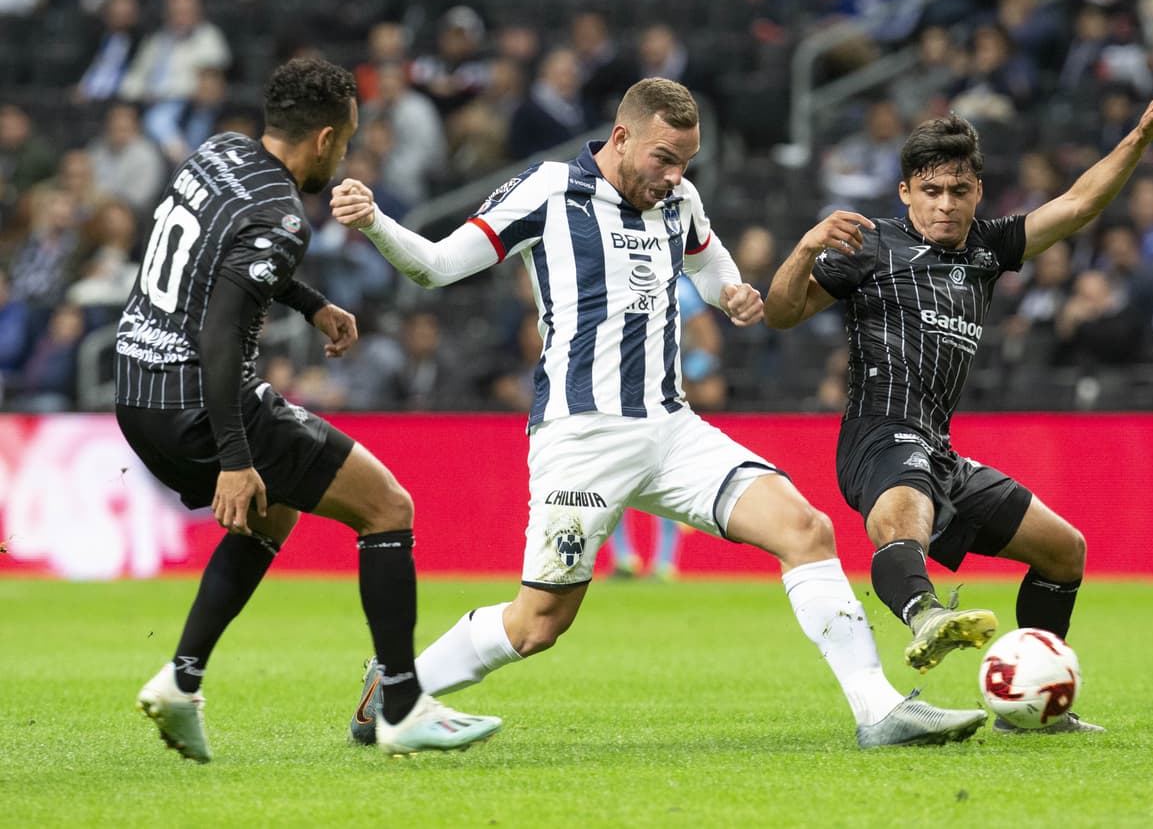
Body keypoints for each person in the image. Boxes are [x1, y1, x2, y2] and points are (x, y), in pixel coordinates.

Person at [332, 77, 988, 750]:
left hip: (672, 430)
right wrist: (376, 222)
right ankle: (396, 688)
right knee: (538, 624)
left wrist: (729, 291)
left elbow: (707, 257)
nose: (676, 176)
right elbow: (437, 266)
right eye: (665, 159)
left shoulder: (679, 198)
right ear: (622, 138)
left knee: (806, 528)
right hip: (582, 437)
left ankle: (879, 710)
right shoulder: (548, 191)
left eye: (686, 162)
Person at [762, 84, 1153, 734]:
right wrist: (803, 250)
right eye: (931, 190)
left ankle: (1032, 713)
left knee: (1064, 551)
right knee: (904, 514)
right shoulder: (870, 247)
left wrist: (1138, 140)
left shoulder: (988, 249)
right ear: (906, 191)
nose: (945, 204)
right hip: (880, 435)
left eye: (958, 191)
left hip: (940, 450)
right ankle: (926, 615)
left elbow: (1078, 204)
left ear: (978, 193)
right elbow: (780, 313)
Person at [113, 57, 500, 762]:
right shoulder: (284, 215)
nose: (343, 155)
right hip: (198, 398)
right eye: (344, 142)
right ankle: (402, 707)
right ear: (324, 139)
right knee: (388, 508)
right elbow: (219, 333)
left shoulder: (219, 152)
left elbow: (219, 257)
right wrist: (235, 459)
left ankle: (181, 680)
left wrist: (312, 303)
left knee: (276, 512)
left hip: (136, 391)